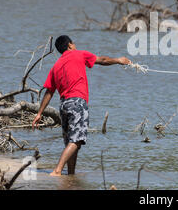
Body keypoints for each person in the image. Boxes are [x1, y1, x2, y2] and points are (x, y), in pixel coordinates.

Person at [32, 35, 131, 176]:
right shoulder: (79, 54)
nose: (75, 45)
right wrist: (118, 60)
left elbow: (49, 92)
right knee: (77, 140)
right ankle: (57, 170)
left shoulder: (56, 66)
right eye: (74, 43)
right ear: (70, 45)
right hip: (77, 103)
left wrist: (39, 113)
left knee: (71, 144)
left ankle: (70, 174)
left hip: (64, 105)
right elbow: (101, 60)